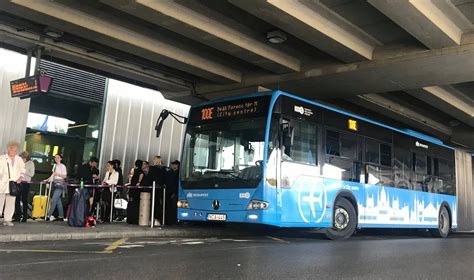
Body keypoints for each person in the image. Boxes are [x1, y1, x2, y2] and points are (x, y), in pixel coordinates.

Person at [0, 141, 25, 226]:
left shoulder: (19, 159)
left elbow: (23, 170)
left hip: (13, 184)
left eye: (16, 150)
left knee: (11, 202)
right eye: (13, 150)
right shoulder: (2, 158)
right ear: (8, 149)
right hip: (3, 184)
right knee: (0, 201)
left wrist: (20, 178)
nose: (14, 152)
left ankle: (7, 219)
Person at [45, 154, 67, 221]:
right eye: (55, 157)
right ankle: (61, 216)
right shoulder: (54, 166)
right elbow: (53, 175)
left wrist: (57, 174)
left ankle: (48, 215)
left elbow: (64, 176)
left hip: (60, 184)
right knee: (58, 201)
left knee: (54, 200)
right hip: (54, 184)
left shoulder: (62, 166)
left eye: (58, 157)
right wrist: (47, 180)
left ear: (61, 159)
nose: (56, 159)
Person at [15, 151, 35, 223]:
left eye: (23, 158)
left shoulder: (31, 163)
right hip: (18, 182)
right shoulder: (19, 163)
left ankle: (24, 217)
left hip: (25, 183)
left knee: (24, 200)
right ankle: (17, 216)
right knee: (17, 199)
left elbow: (32, 174)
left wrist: (24, 171)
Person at [164, 160, 180, 225]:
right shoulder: (171, 172)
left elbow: (176, 184)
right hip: (169, 191)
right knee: (169, 206)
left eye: (174, 164)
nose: (172, 166)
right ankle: (169, 220)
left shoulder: (178, 173)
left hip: (174, 192)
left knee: (174, 207)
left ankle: (173, 220)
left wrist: (174, 192)